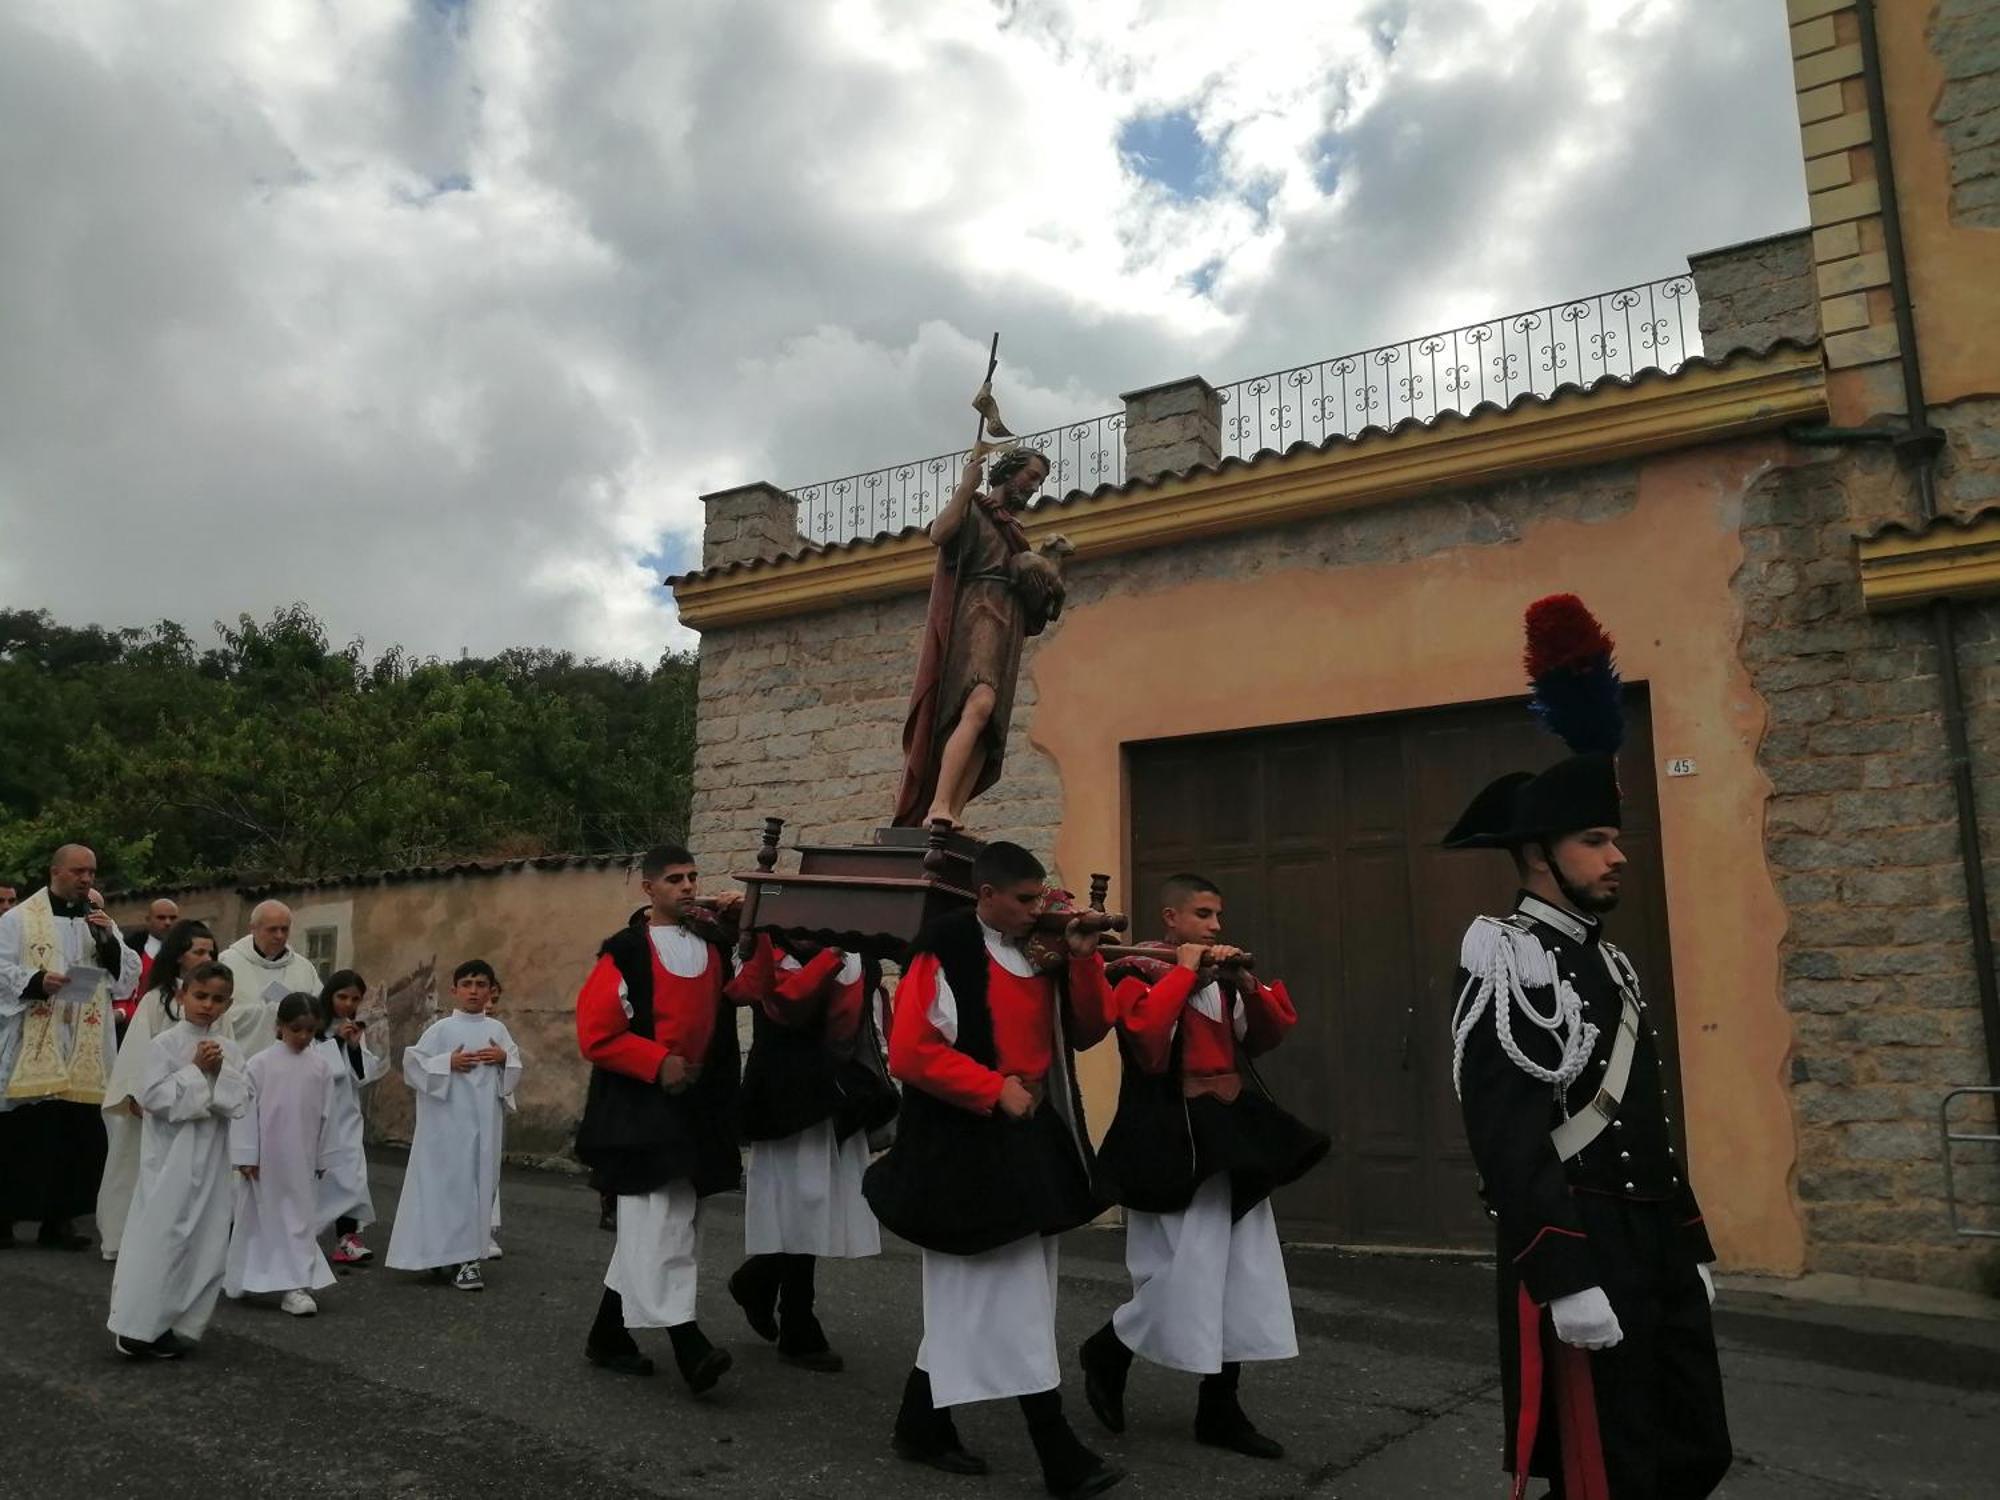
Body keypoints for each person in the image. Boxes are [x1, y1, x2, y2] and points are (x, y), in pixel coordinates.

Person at [1443, 595, 1729, 1500]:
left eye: (1617, 838)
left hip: (1651, 1233)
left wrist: (1691, 1240)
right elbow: (1508, 1134)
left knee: (1691, 1445)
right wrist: (1563, 1274)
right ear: (1537, 853)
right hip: (1581, 1231)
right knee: (1604, 1466)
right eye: (1595, 840)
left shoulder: (1610, 962)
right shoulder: (1507, 959)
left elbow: (1647, 1112)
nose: (1618, 858)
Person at [863, 841, 1123, 1500]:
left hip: (1029, 1143)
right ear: (987, 895)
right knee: (1005, 1298)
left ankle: (920, 1425)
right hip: (962, 1149)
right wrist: (989, 1089)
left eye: (1041, 898)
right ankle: (1056, 1448)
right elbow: (912, 1052)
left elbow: (1089, 1029)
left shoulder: (1038, 952)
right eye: (1026, 899)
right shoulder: (943, 948)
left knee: (993, 1297)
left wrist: (1084, 960)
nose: (1038, 909)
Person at [1080, 874, 1329, 1462]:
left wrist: (1244, 983)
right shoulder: (1134, 970)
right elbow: (1145, 1039)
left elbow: (1264, 1038)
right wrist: (1185, 971)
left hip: (1230, 1138)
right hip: (1170, 1141)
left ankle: (1219, 1406)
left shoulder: (1218, 979)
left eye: (1218, 914)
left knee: (1242, 1269)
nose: (1216, 926)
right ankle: (1109, 1348)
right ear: (1171, 917)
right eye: (1203, 914)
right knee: (1185, 1269)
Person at [573, 844, 744, 1395]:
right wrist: (657, 1063)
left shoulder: (715, 944)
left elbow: (751, 991)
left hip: (695, 1110)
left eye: (694, 876)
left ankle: (609, 1336)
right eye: (675, 879)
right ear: (649, 889)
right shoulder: (623, 952)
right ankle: (687, 1341)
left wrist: (755, 927)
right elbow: (597, 1035)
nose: (689, 887)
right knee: (661, 1224)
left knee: (667, 1224)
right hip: (640, 1112)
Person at [724, 933, 894, 1372]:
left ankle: (763, 1284)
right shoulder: (769, 948)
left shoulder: (861, 957)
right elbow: (785, 1005)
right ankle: (795, 1317)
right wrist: (829, 957)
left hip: (834, 1094)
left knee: (815, 1202)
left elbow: (866, 1027)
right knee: (802, 1201)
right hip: (785, 1095)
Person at [894, 448, 1070, 831]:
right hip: (978, 611)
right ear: (1007, 471)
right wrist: (964, 487)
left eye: (1039, 480)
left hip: (1007, 620)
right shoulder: (975, 508)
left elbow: (1029, 582)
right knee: (979, 701)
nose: (1034, 486)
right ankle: (937, 803)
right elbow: (940, 533)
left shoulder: (1013, 530)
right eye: (1031, 475)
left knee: (988, 724)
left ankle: (951, 811)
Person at [0, 844, 142, 1251]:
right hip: (35, 1033)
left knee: (74, 1131)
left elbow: (126, 978)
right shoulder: (18, 919)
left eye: (92, 873)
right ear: (55, 871)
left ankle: (59, 1220)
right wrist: (35, 980)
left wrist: (109, 943)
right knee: (22, 1130)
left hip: (84, 1038)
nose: (86, 879)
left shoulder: (97, 920)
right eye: (79, 871)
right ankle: (4, 1217)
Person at [106, 961, 250, 1358]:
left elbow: (240, 1101)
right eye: (200, 996)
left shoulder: (231, 1049)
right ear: (183, 995)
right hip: (169, 1159)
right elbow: (152, 1098)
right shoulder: (164, 1044)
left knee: (203, 1240)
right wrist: (195, 1071)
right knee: (161, 1236)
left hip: (211, 1159)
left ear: (228, 1004)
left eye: (217, 999)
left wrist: (220, 1071)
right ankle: (135, 1326)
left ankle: (173, 1321)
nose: (207, 1006)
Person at [384, 960, 519, 1291]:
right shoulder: (440, 1030)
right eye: (468, 983)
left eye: (481, 984)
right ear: (454, 990)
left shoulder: (498, 1031)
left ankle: (469, 1259)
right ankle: (444, 1253)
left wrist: (505, 1060)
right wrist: (448, 1062)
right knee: (446, 1189)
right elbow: (413, 1065)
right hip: (446, 1128)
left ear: (491, 991)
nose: (474, 990)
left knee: (479, 1185)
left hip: (484, 1126)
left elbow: (513, 1068)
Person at [97, 919, 218, 1260]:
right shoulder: (157, 999)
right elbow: (137, 1048)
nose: (206, 957)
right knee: (137, 1167)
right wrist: (135, 1093)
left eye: (210, 951)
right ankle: (123, 1237)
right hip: (153, 1102)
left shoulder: (216, 1004)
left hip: (194, 1101)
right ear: (179, 956)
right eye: (198, 951)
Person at [226, 993, 339, 1316]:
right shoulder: (259, 1064)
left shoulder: (320, 1067)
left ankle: (296, 1285)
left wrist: (322, 1157)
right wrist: (247, 1154)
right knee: (256, 1217)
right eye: (296, 1029)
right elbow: (245, 1110)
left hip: (301, 1156)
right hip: (266, 1157)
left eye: (310, 1031)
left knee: (299, 1219)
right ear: (279, 1026)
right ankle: (244, 1275)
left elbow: (327, 1114)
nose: (303, 1037)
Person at [313, 968, 387, 1266]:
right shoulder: (313, 1026)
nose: (347, 1004)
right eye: (342, 996)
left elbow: (361, 1076)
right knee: (316, 1179)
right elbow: (314, 1067)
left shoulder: (353, 1030)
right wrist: (335, 1041)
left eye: (354, 999)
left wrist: (353, 1047)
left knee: (352, 1176)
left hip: (346, 1115)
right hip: (317, 1115)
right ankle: (301, 1236)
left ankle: (347, 1238)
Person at [218, 900, 323, 1059]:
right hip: (242, 1060)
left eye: (284, 929)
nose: (279, 936)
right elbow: (217, 1015)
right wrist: (269, 1011)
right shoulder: (227, 963)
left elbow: (318, 1013)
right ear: (253, 928)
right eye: (272, 929)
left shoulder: (304, 968)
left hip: (293, 1062)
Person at [118, 898, 181, 1032]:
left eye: (173, 918)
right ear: (148, 919)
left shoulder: (187, 951)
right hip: (135, 1022)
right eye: (161, 918)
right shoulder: (129, 950)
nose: (168, 922)